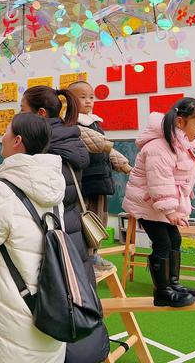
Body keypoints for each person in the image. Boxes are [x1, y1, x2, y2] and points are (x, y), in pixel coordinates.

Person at [0, 113, 66, 363]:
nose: (2, 136)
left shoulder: (1, 190)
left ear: (17, 140)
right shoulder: (54, 188)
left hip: (14, 303)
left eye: (6, 131)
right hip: (53, 300)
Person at [21, 85, 110, 363]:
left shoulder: (44, 149)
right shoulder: (71, 137)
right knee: (81, 291)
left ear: (41, 113)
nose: (19, 116)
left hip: (54, 232)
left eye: (23, 110)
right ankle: (91, 348)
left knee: (60, 296)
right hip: (74, 231)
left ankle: (72, 353)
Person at [123, 98, 195, 307]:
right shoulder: (159, 147)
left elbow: (179, 182)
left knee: (174, 241)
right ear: (180, 122)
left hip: (160, 206)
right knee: (163, 243)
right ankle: (162, 292)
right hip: (146, 204)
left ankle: (173, 284)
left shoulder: (181, 144)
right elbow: (160, 182)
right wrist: (171, 211)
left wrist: (177, 209)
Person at [69, 81, 131, 273]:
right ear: (70, 100)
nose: (88, 101)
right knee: (85, 219)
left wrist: (122, 164)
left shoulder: (94, 122)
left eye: (91, 97)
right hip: (85, 180)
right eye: (82, 97)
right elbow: (101, 144)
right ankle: (85, 258)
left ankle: (94, 253)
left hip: (100, 178)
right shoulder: (72, 124)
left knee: (99, 218)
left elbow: (106, 149)